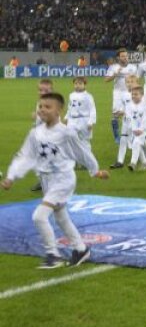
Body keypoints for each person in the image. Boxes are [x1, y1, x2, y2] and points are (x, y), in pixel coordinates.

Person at [2, 92, 109, 269]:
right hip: (46, 181)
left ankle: (53, 255)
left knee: (39, 216)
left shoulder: (66, 133)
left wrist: (95, 171)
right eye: (40, 106)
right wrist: (11, 176)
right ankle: (81, 249)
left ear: (59, 110)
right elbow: (25, 156)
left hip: (63, 180)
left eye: (48, 107)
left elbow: (82, 152)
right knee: (61, 217)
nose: (42, 110)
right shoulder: (35, 133)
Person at [105, 48, 137, 144]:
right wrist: (115, 74)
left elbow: (136, 80)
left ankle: (131, 134)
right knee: (116, 114)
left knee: (131, 113)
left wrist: (136, 91)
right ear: (118, 58)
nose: (125, 57)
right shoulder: (113, 67)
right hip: (118, 93)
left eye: (126, 56)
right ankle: (116, 136)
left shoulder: (133, 67)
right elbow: (106, 80)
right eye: (123, 56)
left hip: (130, 93)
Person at [66, 77, 97, 153]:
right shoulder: (71, 95)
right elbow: (70, 107)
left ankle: (87, 158)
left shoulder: (88, 96)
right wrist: (67, 117)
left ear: (84, 85)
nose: (77, 85)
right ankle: (74, 158)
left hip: (84, 120)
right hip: (72, 120)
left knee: (84, 141)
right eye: (76, 83)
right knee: (71, 139)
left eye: (80, 84)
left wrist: (91, 122)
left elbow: (92, 109)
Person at [126, 85, 146, 172]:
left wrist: (141, 129)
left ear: (142, 95)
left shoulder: (145, 106)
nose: (134, 96)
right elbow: (129, 118)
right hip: (132, 129)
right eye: (132, 94)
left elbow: (145, 119)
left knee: (136, 142)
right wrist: (134, 129)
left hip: (142, 130)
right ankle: (145, 162)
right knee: (136, 144)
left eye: (136, 94)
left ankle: (133, 163)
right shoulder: (129, 106)